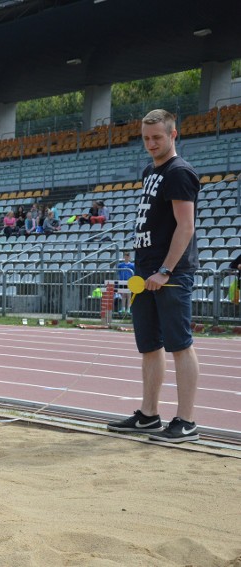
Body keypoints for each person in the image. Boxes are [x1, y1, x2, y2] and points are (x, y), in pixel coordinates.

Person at [107, 109, 201, 443]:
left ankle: (186, 420)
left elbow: (185, 226)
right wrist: (142, 268)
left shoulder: (179, 172)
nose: (151, 144)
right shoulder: (150, 171)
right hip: (145, 272)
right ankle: (148, 415)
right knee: (149, 346)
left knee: (180, 345)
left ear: (173, 135)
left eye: (157, 138)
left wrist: (165, 270)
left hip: (170, 274)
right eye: (146, 138)